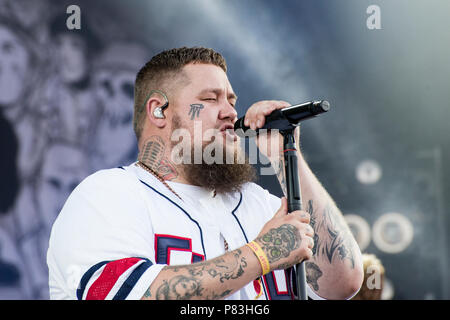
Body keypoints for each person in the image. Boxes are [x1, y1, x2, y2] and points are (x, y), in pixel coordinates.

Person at [47, 47, 363, 300]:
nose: (230, 112)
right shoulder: (109, 194)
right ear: (159, 110)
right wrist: (263, 253)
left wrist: (285, 157)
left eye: (231, 100)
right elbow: (122, 293)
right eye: (210, 99)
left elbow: (342, 283)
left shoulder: (262, 204)